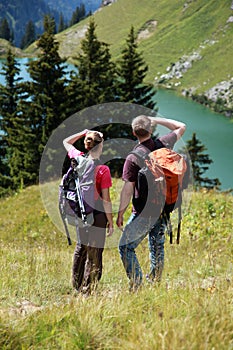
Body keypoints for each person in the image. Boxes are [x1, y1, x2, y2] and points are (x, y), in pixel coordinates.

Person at [116, 115, 186, 291]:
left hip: (144, 212)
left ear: (133, 132)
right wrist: (156, 119)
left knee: (125, 247)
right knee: (156, 244)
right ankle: (155, 282)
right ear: (151, 130)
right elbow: (181, 126)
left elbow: (128, 190)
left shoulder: (133, 158)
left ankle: (137, 284)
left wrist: (120, 214)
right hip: (164, 207)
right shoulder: (164, 143)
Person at [63, 129, 114, 295]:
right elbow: (106, 199)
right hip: (97, 215)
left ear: (87, 144)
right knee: (95, 251)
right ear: (101, 146)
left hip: (80, 211)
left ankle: (76, 284)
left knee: (81, 247)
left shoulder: (77, 158)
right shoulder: (102, 169)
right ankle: (88, 289)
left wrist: (83, 133)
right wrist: (111, 222)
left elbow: (66, 142)